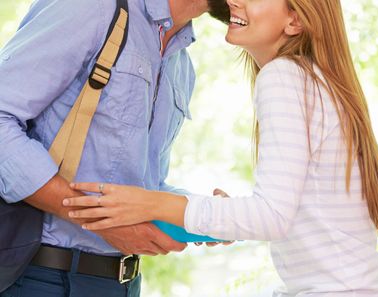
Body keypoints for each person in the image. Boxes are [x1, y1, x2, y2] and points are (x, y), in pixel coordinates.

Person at [65, 0, 378, 296]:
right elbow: (285, 211)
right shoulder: (315, 82)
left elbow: (270, 217)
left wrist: (152, 204)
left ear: (294, 20)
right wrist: (218, 215)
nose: (234, 0)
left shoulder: (284, 77)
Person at [0, 0, 229, 296]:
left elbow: (141, 185)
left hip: (122, 283)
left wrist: (203, 214)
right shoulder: (91, 8)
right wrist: (99, 221)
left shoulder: (181, 65)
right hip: (40, 277)